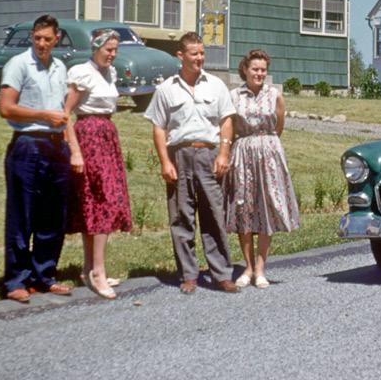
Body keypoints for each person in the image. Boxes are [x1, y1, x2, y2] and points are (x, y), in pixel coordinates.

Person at [145, 32, 239, 294]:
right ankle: (189, 274)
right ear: (180, 55)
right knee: (181, 217)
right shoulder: (166, 89)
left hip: (209, 155)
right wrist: (165, 162)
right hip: (179, 156)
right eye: (194, 53)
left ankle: (222, 274)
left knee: (214, 216)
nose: (199, 58)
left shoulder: (216, 85)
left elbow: (226, 121)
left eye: (202, 53)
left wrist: (223, 153)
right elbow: (159, 128)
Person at [0, 14, 74, 303]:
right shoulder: (18, 64)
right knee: (22, 214)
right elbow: (6, 108)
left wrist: (70, 146)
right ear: (32, 37)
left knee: (53, 215)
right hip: (28, 144)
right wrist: (42, 115)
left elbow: (64, 111)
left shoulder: (60, 67)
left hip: (56, 145)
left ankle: (44, 275)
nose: (42, 44)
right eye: (37, 38)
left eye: (47, 39)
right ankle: (16, 280)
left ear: (56, 39)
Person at [63, 29, 132, 300]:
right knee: (101, 200)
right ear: (96, 48)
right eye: (108, 49)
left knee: (99, 201)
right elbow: (65, 113)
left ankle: (89, 268)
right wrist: (75, 151)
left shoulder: (109, 73)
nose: (112, 54)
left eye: (115, 50)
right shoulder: (82, 72)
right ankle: (98, 272)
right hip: (89, 137)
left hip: (107, 136)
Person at [226, 50, 301, 289]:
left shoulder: (275, 95)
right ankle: (247, 267)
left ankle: (260, 268)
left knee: (267, 207)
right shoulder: (233, 96)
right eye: (255, 69)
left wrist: (265, 146)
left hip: (269, 153)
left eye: (263, 70)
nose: (259, 74)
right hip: (243, 152)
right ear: (245, 69)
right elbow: (229, 126)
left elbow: (279, 127)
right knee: (244, 208)